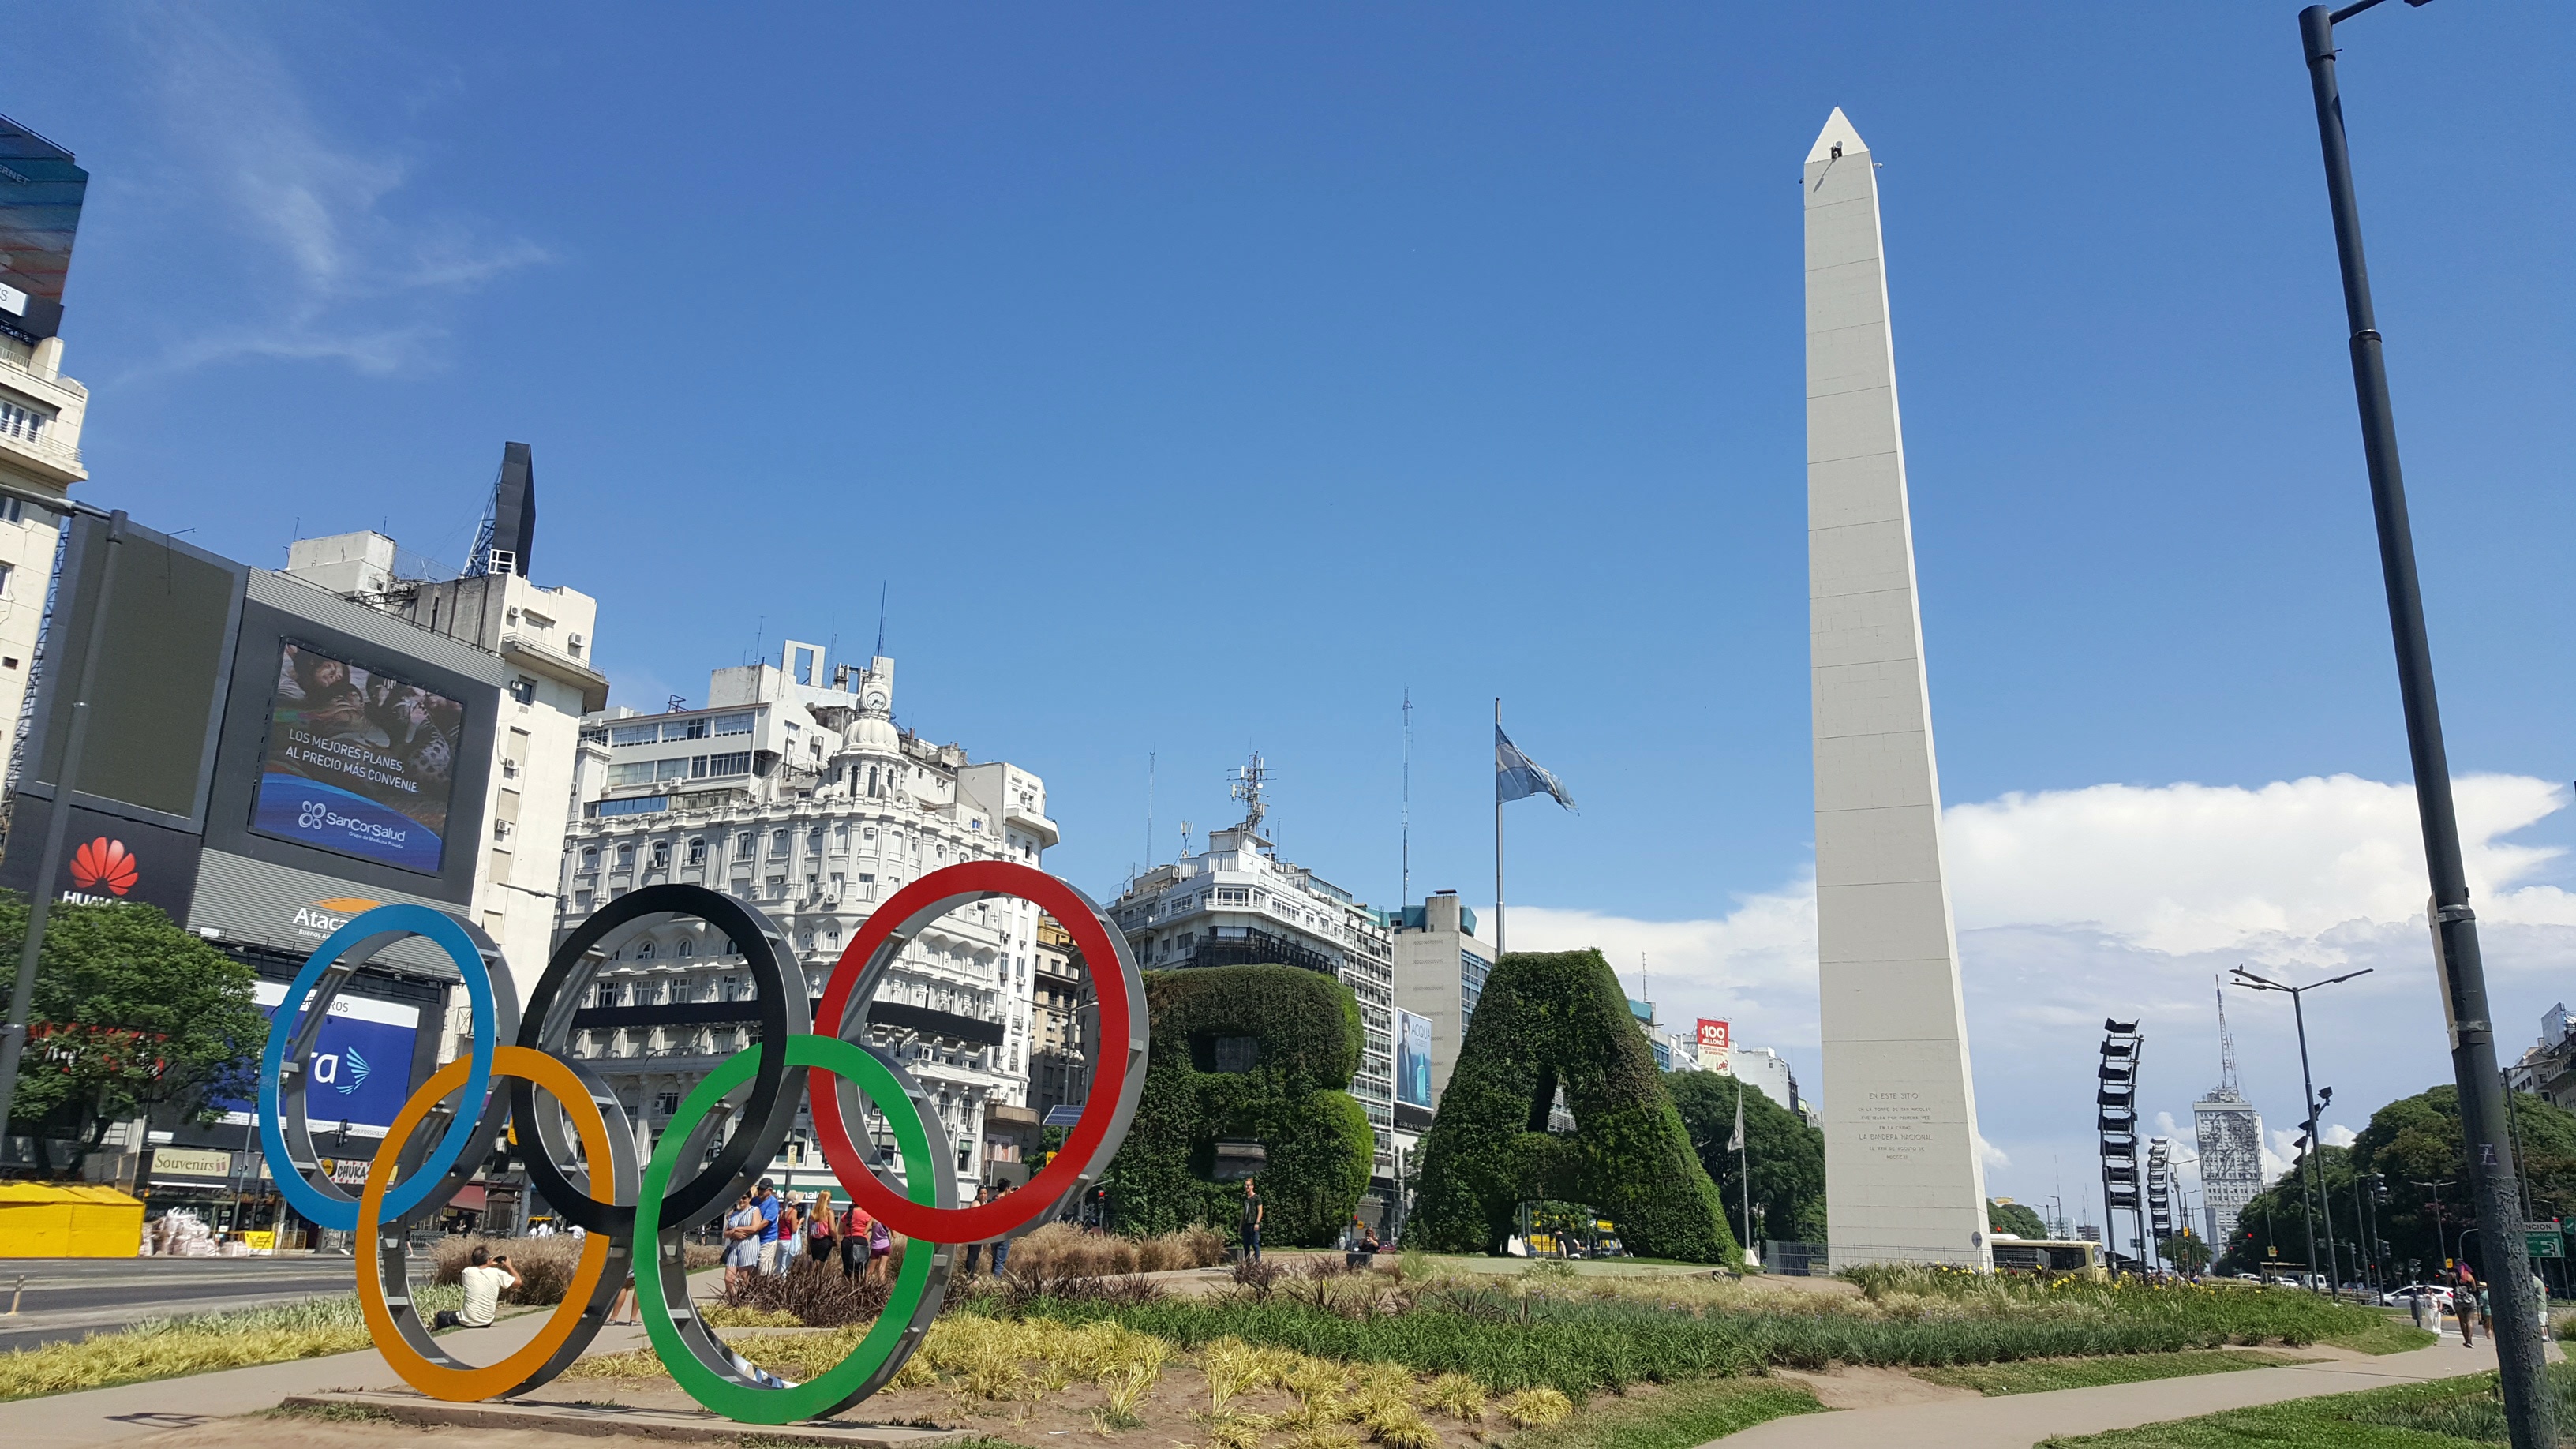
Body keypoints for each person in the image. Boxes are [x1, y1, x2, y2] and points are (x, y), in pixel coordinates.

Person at [433, 1246, 519, 1330]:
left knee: (441, 1315)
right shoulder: (497, 1273)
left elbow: (476, 1268)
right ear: (488, 1259)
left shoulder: (467, 1272)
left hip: (468, 1320)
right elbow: (518, 1282)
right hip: (487, 1321)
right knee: (457, 1313)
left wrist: (487, 1262)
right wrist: (509, 1266)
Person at [722, 1191, 763, 1290]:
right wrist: (733, 1233)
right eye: (739, 1198)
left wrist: (736, 1229)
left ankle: (744, 1298)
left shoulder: (754, 1210)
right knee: (728, 1278)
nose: (741, 1200)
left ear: (749, 1199)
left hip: (748, 1244)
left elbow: (754, 1227)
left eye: (744, 1198)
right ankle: (733, 1298)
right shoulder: (735, 1214)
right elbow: (725, 1233)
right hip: (734, 1246)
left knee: (744, 1278)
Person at [754, 1178, 784, 1275]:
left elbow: (765, 1222)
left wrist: (751, 1230)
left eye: (763, 1189)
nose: (760, 1191)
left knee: (763, 1270)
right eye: (759, 1189)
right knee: (752, 1270)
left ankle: (764, 1284)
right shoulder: (755, 1201)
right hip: (754, 1239)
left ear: (770, 1190)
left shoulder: (773, 1203)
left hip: (767, 1240)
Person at [841, 1201, 875, 1281]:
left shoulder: (845, 1215)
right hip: (861, 1241)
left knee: (847, 1267)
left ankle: (846, 1284)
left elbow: (840, 1231)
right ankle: (858, 1285)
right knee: (860, 1267)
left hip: (847, 1241)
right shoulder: (866, 1215)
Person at [808, 1189, 839, 1265]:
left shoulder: (812, 1213)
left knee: (815, 1262)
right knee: (820, 1263)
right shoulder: (829, 1212)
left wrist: (808, 1244)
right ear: (827, 1199)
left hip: (814, 1241)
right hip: (825, 1240)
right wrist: (836, 1239)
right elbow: (832, 1229)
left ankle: (812, 1273)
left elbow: (809, 1231)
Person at [1240, 1178, 1264, 1264]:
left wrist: (1257, 1223)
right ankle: (1247, 1264)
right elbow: (1243, 1212)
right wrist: (1240, 1225)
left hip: (1253, 1224)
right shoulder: (1245, 1199)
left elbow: (1260, 1211)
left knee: (1255, 1244)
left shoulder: (1257, 1198)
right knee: (1246, 1245)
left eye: (1248, 1185)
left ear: (1252, 1186)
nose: (1247, 1187)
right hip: (1246, 1224)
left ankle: (1258, 1264)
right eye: (1246, 1185)